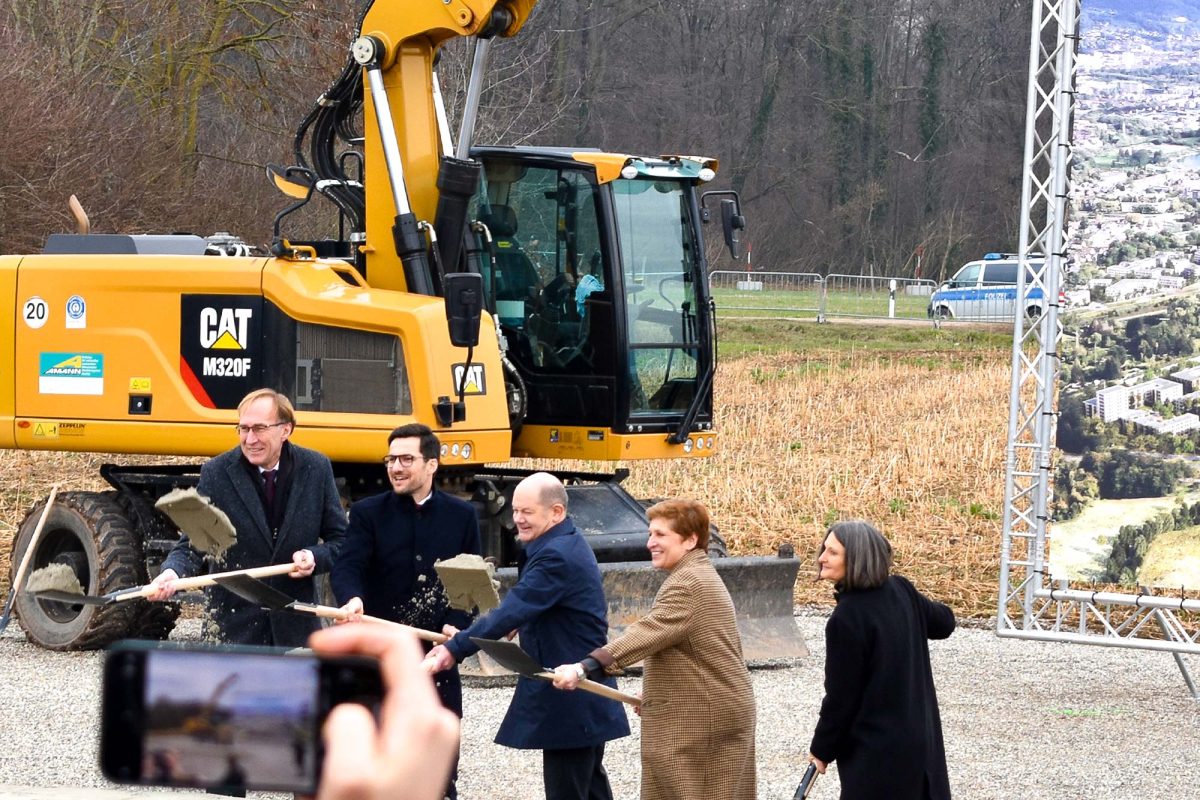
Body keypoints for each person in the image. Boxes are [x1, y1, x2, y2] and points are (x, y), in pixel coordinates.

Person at [422, 472, 630, 800]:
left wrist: (455, 649)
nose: (517, 519)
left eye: (527, 512)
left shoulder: (556, 554)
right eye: (516, 510)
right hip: (578, 695)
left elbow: (515, 607)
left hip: (573, 692)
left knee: (572, 790)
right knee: (589, 787)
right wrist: (522, 621)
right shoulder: (562, 542)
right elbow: (539, 605)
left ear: (556, 512)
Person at [551, 499, 755, 800]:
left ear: (690, 540)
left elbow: (646, 634)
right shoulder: (698, 575)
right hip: (712, 706)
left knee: (679, 787)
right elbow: (697, 650)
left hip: (704, 718)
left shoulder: (687, 583)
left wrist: (584, 667)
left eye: (660, 535)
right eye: (650, 534)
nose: (650, 543)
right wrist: (663, 692)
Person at [331, 422, 481, 800]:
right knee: (378, 764)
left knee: (438, 773)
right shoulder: (367, 513)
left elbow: (471, 583)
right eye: (390, 459)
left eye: (406, 459)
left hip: (437, 656)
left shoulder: (462, 516)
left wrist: (458, 623)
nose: (396, 467)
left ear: (432, 465)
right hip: (379, 655)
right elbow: (348, 566)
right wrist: (352, 598)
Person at [147, 388, 346, 648]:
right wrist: (172, 572)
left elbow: (341, 541)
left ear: (285, 430)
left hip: (294, 629)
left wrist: (314, 557)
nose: (250, 439)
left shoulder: (316, 468)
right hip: (234, 630)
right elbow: (194, 544)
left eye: (260, 429)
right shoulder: (217, 473)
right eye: (243, 429)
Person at [807, 520, 955, 800]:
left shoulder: (846, 618)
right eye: (824, 549)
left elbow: (840, 699)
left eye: (832, 552)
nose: (821, 558)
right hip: (920, 745)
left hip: (876, 755)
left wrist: (821, 750)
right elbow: (945, 622)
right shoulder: (901, 590)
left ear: (857, 558)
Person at [308, 623, 459, 800]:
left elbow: (467, 605)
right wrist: (352, 598)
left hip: (429, 661)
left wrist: (458, 641)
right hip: (374, 649)